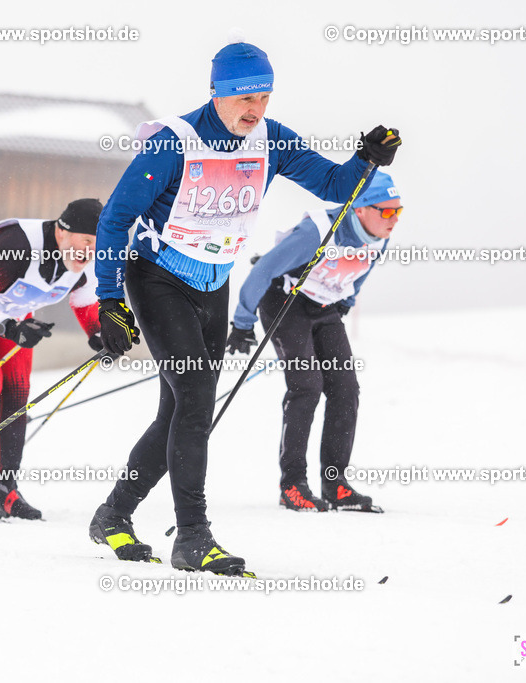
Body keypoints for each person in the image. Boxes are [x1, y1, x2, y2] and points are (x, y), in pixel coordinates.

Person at [89, 39, 400, 573]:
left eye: (264, 97)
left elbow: (333, 183)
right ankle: (193, 536)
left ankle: (113, 515)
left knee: (182, 409)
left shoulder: (270, 140)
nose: (254, 110)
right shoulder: (173, 143)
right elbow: (115, 219)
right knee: (193, 395)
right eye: (244, 99)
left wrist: (366, 160)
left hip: (213, 283)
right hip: (158, 277)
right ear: (217, 93)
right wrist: (110, 298)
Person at [227, 172, 402, 514]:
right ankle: (292, 485)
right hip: (285, 300)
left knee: (345, 388)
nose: (394, 219)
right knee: (307, 385)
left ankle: (335, 484)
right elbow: (263, 270)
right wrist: (243, 323)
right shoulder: (319, 231)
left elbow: (362, 271)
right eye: (387, 211)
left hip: (323, 304)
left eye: (399, 211)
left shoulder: (380, 235)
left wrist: (345, 303)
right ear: (362, 208)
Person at [0, 198, 105, 522]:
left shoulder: (82, 259)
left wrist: (99, 334)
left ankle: (6, 489)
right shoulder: (17, 245)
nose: (90, 251)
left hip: (11, 309)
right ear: (63, 232)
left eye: (96, 245)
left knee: (17, 392)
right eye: (86, 241)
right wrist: (10, 328)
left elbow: (84, 299)